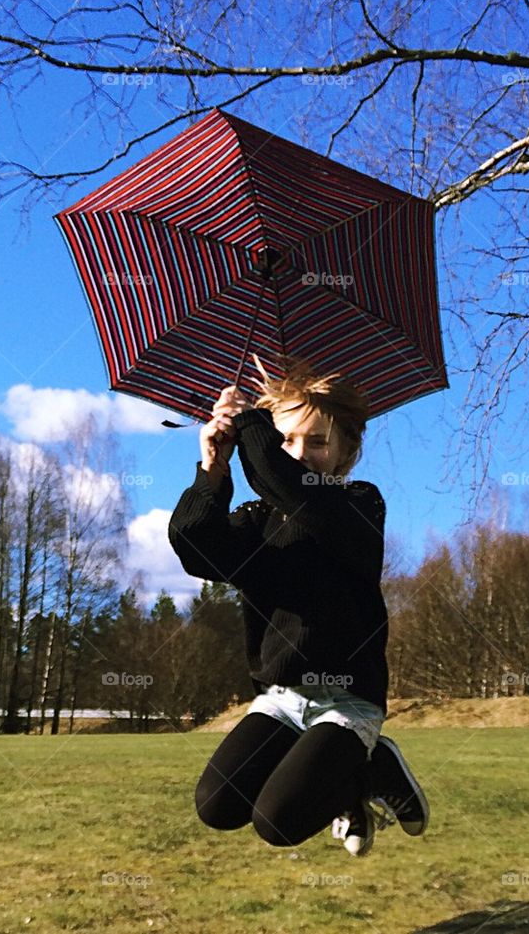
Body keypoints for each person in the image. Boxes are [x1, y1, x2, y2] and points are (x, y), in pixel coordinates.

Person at [168, 357, 429, 856]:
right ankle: (363, 774)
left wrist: (249, 423)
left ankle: (365, 767)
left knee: (278, 822)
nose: (300, 453)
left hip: (347, 702)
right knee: (218, 806)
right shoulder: (255, 519)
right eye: (287, 438)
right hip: (282, 698)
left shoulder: (357, 504)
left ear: (345, 451)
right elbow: (194, 546)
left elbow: (294, 491)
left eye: (317, 441)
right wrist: (212, 471)